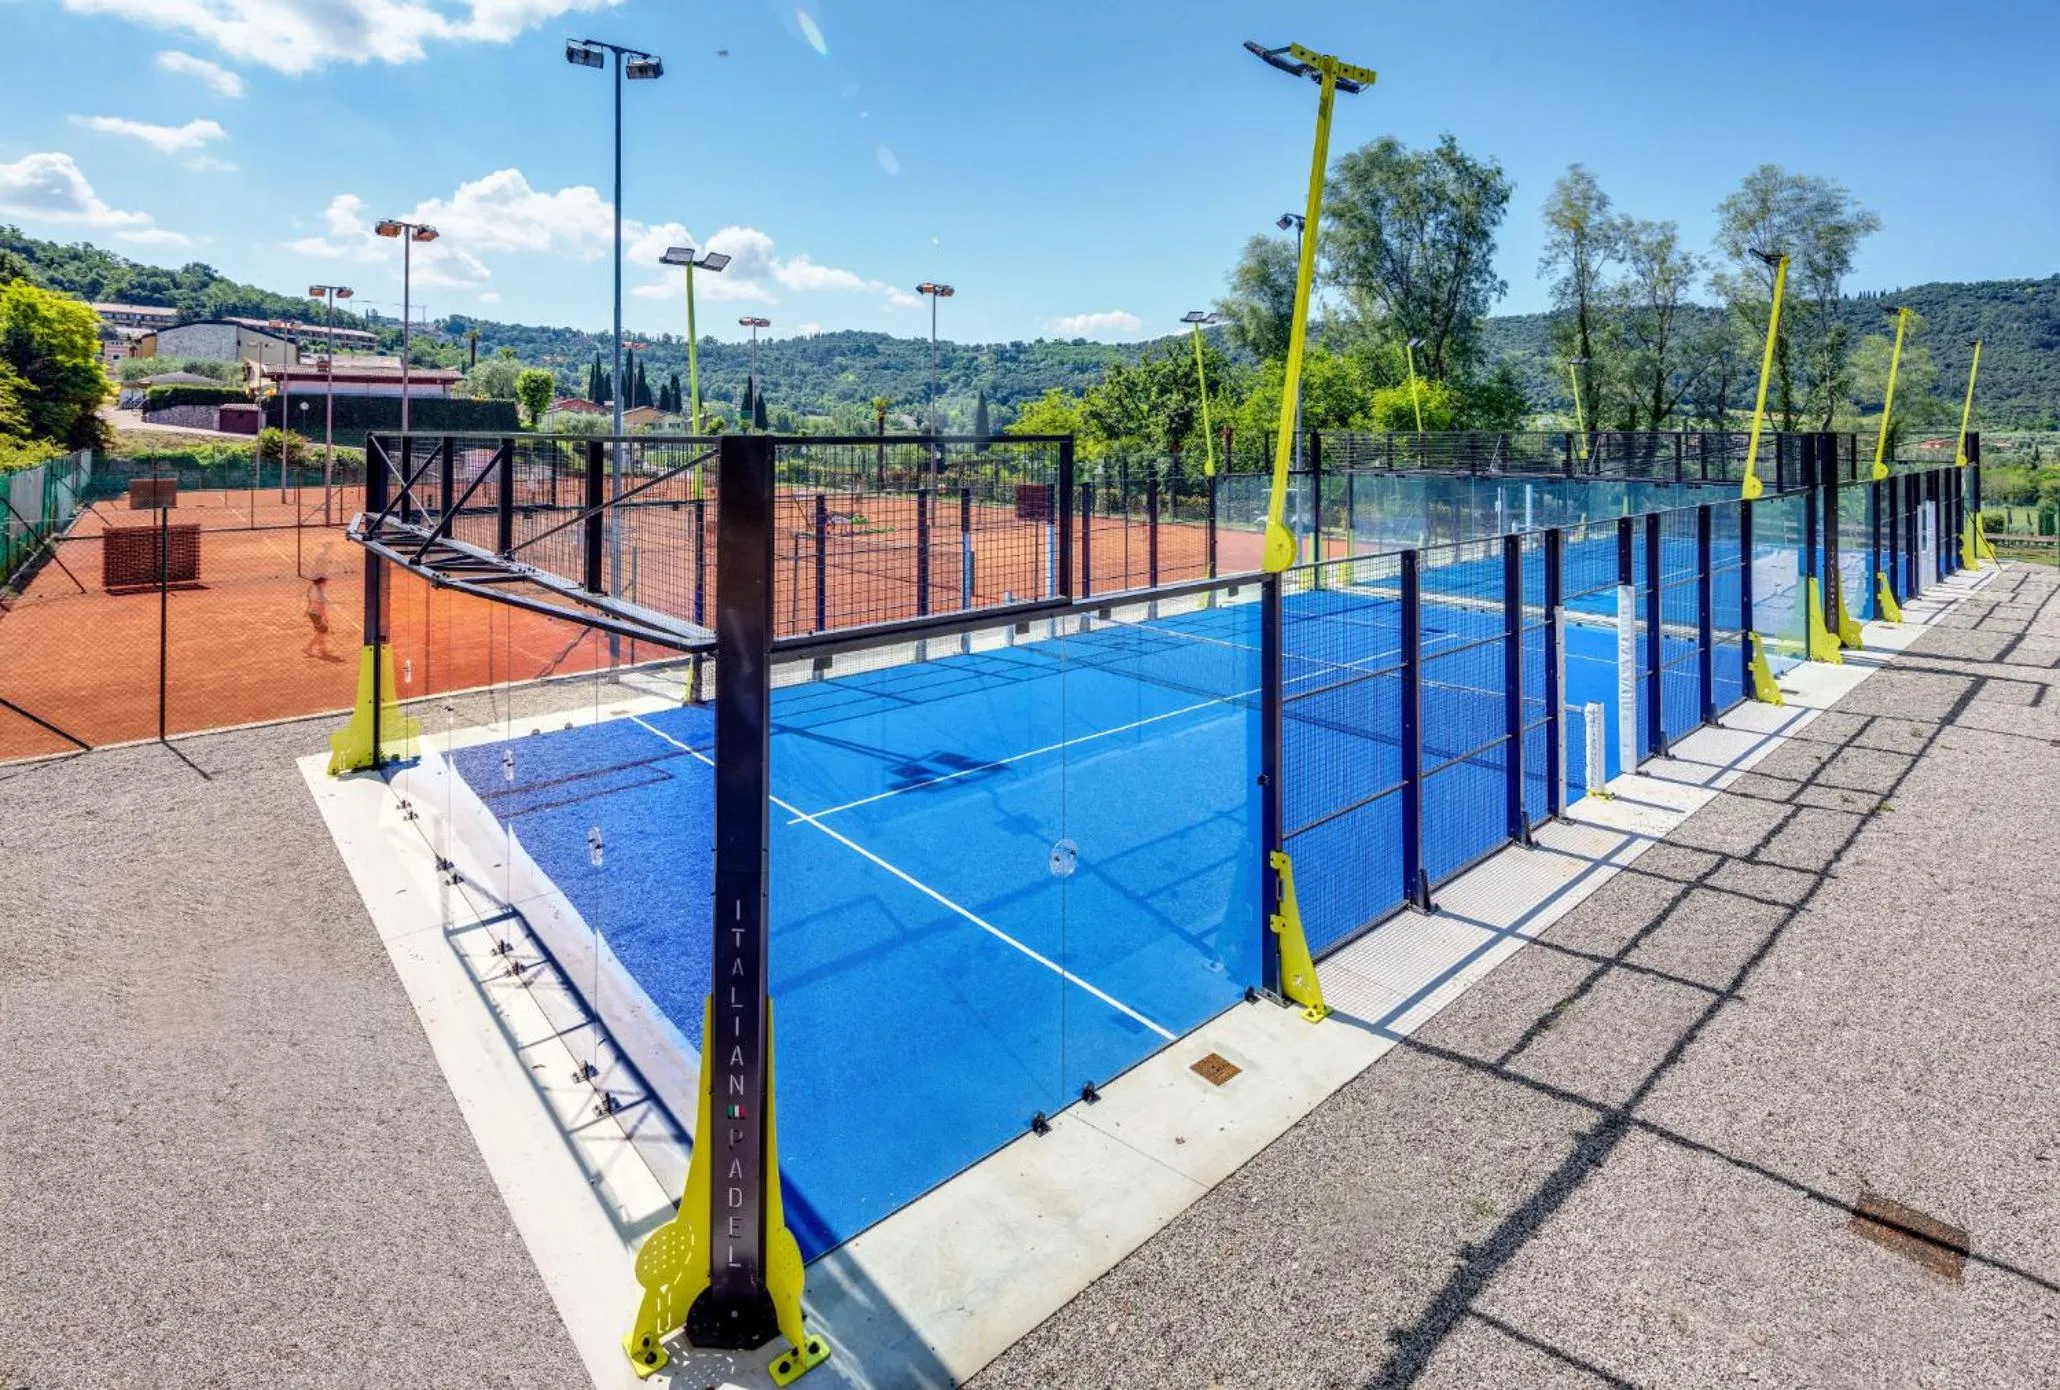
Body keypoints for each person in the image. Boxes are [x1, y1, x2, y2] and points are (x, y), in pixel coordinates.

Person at [303, 574, 334, 659]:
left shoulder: (313, 588)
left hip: (312, 613)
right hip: (317, 614)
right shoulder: (319, 594)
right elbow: (321, 607)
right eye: (325, 582)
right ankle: (308, 648)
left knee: (321, 631)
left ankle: (322, 649)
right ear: (320, 583)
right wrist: (325, 618)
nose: (326, 584)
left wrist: (307, 609)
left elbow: (309, 597)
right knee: (322, 632)